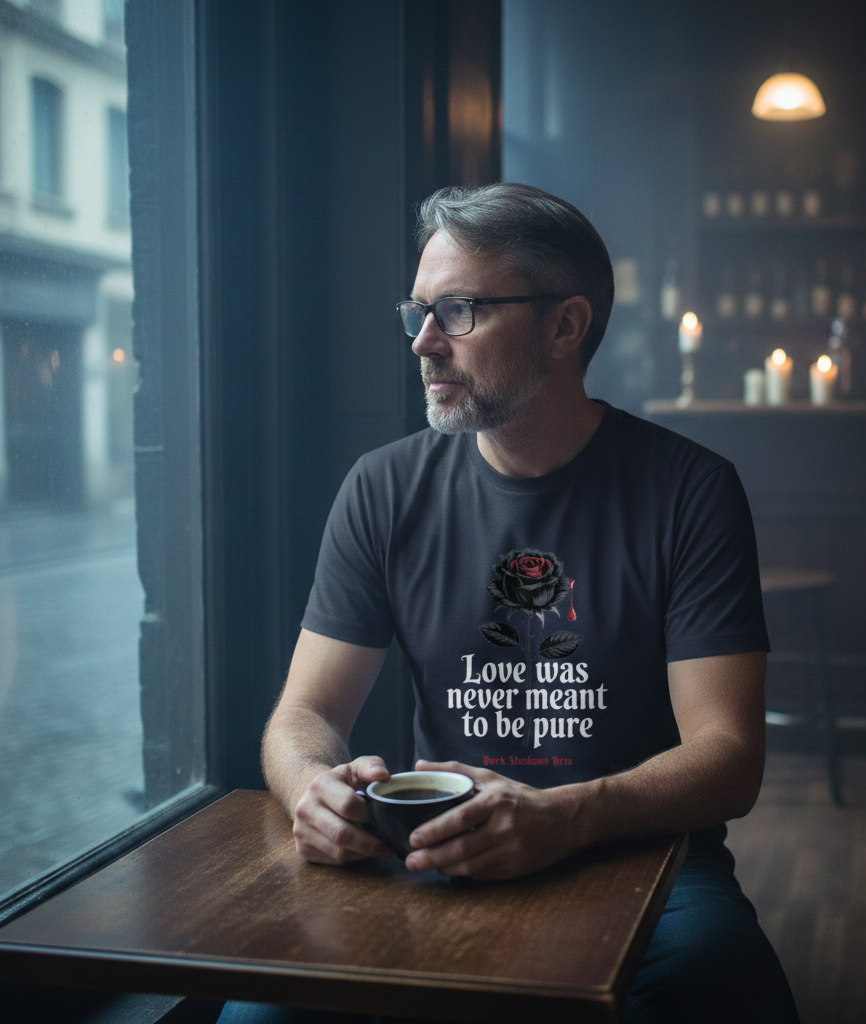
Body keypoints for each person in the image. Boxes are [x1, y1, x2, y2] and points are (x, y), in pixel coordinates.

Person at [220, 183, 800, 1023]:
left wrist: (564, 818)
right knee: (257, 1014)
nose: (423, 343)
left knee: (722, 986)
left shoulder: (689, 488)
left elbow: (729, 756)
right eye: (418, 312)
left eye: (458, 312)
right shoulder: (383, 488)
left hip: (637, 859)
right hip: (437, 850)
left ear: (565, 326)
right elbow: (303, 710)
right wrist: (310, 787)